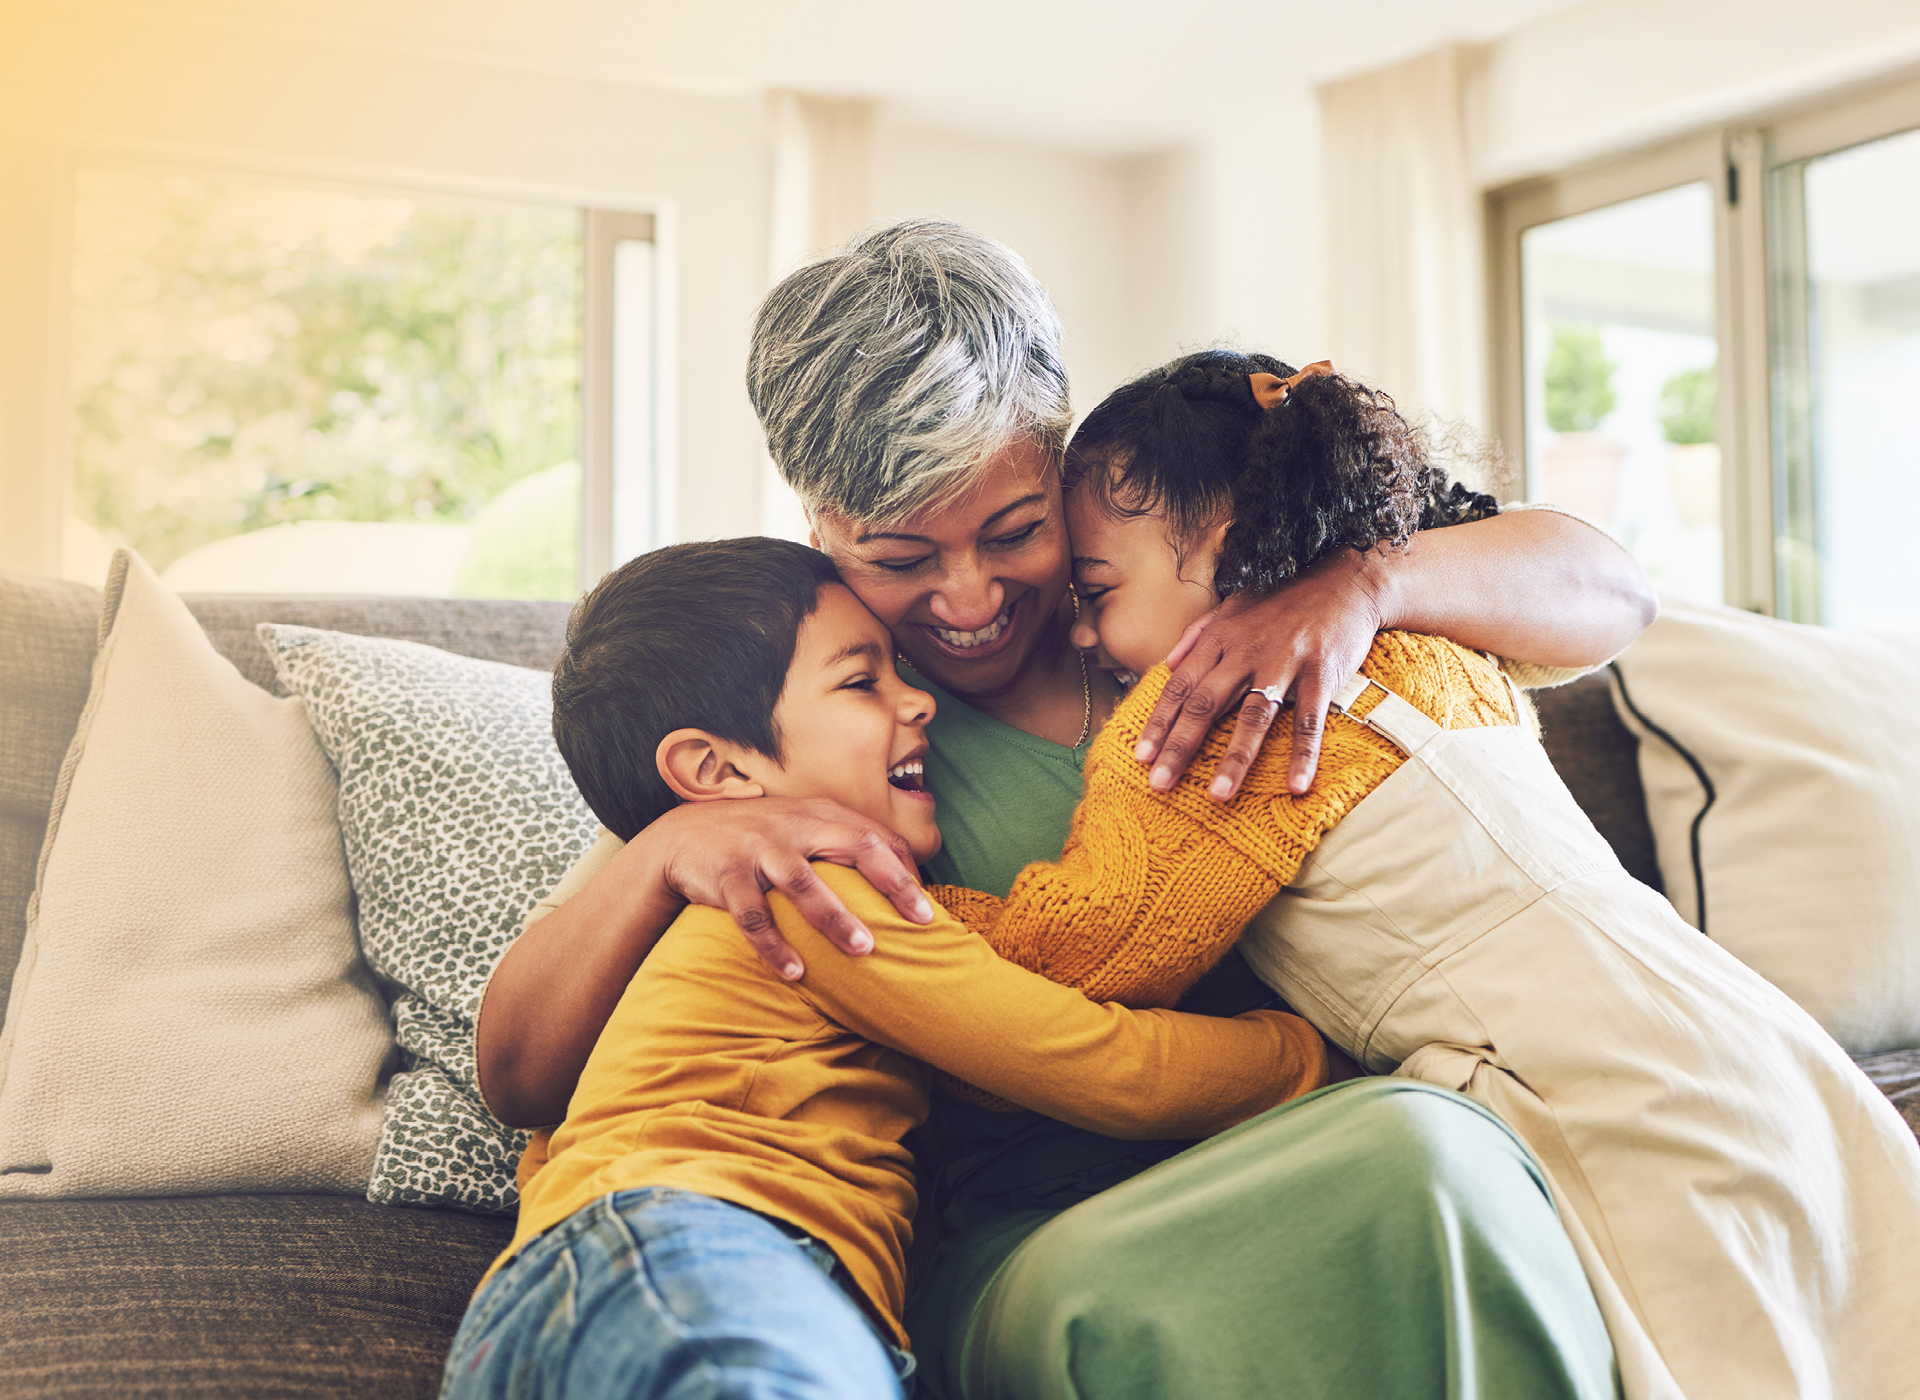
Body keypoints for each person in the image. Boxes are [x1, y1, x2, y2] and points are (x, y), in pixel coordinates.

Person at [478, 220, 1656, 1399]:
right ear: (819, 526)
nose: (970, 598)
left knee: (1465, 1158)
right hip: (1043, 1237)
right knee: (1422, 1156)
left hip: (1313, 1131)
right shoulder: (819, 728)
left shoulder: (1218, 581)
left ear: (1061, 463)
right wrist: (666, 848)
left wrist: (1367, 584)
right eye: (898, 557)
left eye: (1016, 532)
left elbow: (1612, 592)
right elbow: (524, 1070)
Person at [1024, 348, 1920, 1400]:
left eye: (1095, 592)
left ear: (1224, 554)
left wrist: (870, 906)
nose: (1082, 636)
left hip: (1591, 1080)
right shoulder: (1437, 641)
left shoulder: (1218, 716)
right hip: (1751, 1038)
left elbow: (1088, 943)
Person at [443, 537, 1330, 1400]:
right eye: (864, 681)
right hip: (687, 1254)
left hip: (640, 1284)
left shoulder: (721, 896)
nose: (921, 704)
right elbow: (1104, 1063)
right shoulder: (807, 889)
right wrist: (1311, 1056)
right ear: (714, 771)